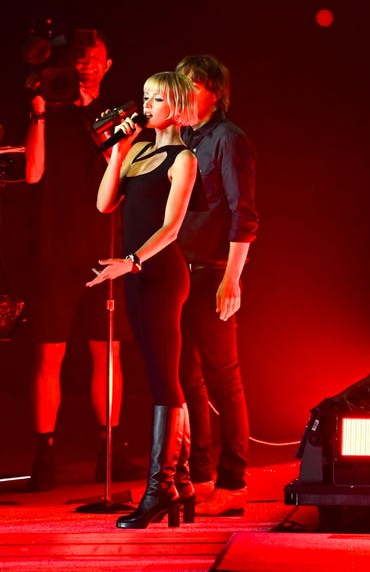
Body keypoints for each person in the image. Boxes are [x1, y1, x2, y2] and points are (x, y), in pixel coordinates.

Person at [22, 29, 140, 490]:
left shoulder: (117, 115)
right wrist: (38, 115)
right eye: (79, 58)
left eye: (95, 58)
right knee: (47, 357)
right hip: (55, 246)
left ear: (107, 65)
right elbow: (33, 175)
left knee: (106, 353)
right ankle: (43, 455)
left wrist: (91, 108)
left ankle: (107, 450)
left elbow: (118, 166)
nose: (86, 65)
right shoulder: (48, 111)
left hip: (102, 248)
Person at [87, 71, 198, 529]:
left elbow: (171, 229)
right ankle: (183, 483)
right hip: (135, 274)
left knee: (161, 379)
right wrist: (116, 154)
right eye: (145, 96)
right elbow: (103, 205)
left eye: (156, 98)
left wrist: (131, 261)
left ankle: (160, 489)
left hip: (160, 274)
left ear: (175, 107)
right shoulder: (137, 151)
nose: (145, 104)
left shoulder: (183, 157)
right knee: (161, 375)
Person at [175, 55, 258, 516]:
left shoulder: (229, 140)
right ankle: (201, 474)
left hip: (212, 271)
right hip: (179, 272)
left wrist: (232, 277)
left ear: (210, 89)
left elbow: (244, 213)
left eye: (189, 84)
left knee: (224, 376)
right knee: (188, 376)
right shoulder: (186, 139)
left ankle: (233, 483)